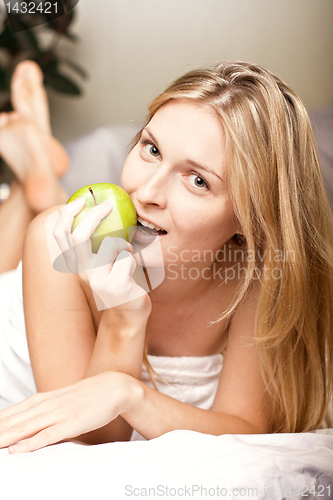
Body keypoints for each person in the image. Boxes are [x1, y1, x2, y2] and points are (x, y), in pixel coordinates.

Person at [0, 59, 332, 454]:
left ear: (248, 218)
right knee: (47, 229)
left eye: (197, 180)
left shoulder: (260, 275)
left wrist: (130, 394)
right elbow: (85, 443)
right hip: (23, 299)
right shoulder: (55, 245)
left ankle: (37, 179)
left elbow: (246, 426)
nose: (146, 193)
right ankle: (32, 185)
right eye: (152, 148)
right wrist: (123, 317)